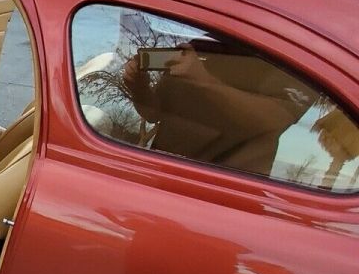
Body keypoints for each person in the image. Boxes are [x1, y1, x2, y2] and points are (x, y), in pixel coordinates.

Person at [120, 37, 314, 179]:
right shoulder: (197, 47)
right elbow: (154, 114)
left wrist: (204, 80)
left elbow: (275, 119)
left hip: (229, 188)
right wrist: (139, 87)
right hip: (164, 175)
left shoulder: (290, 59)